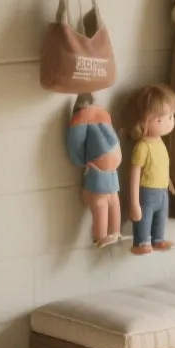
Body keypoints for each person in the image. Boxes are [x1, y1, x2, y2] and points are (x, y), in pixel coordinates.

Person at [123, 84, 175, 255]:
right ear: (141, 121)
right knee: (144, 217)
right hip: (146, 191)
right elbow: (134, 175)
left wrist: (168, 182)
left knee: (160, 218)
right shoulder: (142, 147)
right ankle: (141, 242)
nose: (169, 123)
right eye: (161, 119)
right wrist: (134, 203)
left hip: (162, 191)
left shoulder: (160, 143)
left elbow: (161, 165)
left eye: (171, 116)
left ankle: (158, 239)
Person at [64, 93, 122, 247]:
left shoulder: (101, 117)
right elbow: (76, 146)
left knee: (114, 201)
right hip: (97, 178)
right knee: (101, 205)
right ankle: (101, 235)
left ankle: (115, 231)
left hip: (110, 175)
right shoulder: (81, 122)